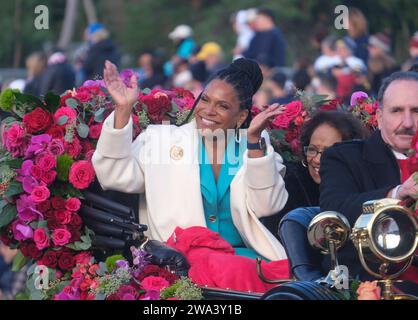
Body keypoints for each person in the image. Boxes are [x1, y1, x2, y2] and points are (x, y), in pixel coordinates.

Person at [93, 58, 289, 262]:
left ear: (240, 117)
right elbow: (112, 175)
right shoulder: (161, 140)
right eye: (205, 99)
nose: (208, 111)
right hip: (181, 262)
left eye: (222, 106)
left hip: (244, 261)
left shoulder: (255, 147)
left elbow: (267, 206)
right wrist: (123, 108)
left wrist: (255, 142)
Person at [319, 71, 418, 280]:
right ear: (380, 118)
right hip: (372, 279)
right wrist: (398, 193)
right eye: (397, 111)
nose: (408, 122)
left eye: (416, 111)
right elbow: (335, 212)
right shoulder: (343, 157)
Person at [269, 111, 366, 280]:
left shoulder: (361, 190)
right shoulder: (292, 184)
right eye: (312, 150)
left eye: (329, 152)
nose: (318, 160)